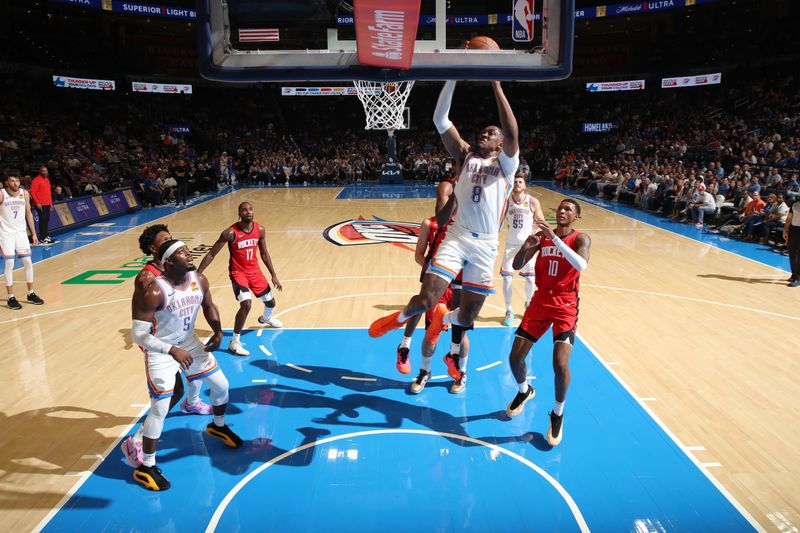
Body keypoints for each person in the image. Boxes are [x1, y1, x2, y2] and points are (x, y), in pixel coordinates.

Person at [370, 80, 519, 387]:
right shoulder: (465, 156)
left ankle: (443, 322)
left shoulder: (506, 165)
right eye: (483, 131)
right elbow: (441, 119)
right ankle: (397, 322)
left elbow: (513, 131)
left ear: (501, 145)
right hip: (458, 236)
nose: (485, 133)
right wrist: (451, 78)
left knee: (465, 319)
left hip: (487, 245)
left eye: (492, 133)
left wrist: (495, 83)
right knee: (427, 299)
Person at [126, 239, 242, 491]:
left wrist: (218, 331)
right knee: (161, 406)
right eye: (181, 252)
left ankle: (218, 426)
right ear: (168, 261)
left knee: (222, 386)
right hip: (161, 350)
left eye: (188, 251)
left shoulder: (199, 280)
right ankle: (146, 466)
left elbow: (209, 306)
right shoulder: (155, 291)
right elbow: (139, 335)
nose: (189, 254)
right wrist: (171, 350)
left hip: (189, 343)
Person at [504, 199, 591, 447]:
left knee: (560, 364)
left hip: (565, 305)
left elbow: (581, 264)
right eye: (560, 208)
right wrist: (526, 246)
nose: (562, 211)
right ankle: (524, 391)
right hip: (540, 301)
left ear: (576, 217)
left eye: (568, 210)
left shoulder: (581, 239)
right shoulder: (543, 238)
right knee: (514, 358)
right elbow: (517, 265)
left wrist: (553, 238)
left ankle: (557, 412)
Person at [130, 224, 213, 415]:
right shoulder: (147, 277)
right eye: (166, 241)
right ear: (153, 249)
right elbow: (139, 315)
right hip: (160, 340)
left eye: (171, 238)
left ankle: (192, 403)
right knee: (176, 391)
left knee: (196, 366)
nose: (172, 243)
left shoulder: (180, 268)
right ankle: (142, 436)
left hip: (179, 334)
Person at [396, 215, 470, 394]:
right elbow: (419, 256)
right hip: (437, 286)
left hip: (461, 285)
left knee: (461, 334)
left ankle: (462, 372)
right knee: (431, 333)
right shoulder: (430, 224)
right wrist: (436, 271)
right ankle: (424, 372)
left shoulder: (469, 222)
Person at [198, 201, 283, 356]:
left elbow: (264, 253)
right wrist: (198, 272)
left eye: (250, 209)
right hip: (238, 273)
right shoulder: (230, 233)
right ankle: (234, 342)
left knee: (271, 302)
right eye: (244, 210)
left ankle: (265, 319)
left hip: (255, 271)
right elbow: (212, 253)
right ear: (239, 213)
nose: (248, 212)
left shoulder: (260, 229)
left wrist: (274, 275)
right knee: (246, 304)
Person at [500, 170, 544, 326]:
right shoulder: (506, 201)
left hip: (527, 246)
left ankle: (529, 303)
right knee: (507, 278)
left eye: (520, 182)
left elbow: (541, 221)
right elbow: (499, 221)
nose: (518, 184)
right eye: (515, 181)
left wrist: (535, 232)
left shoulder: (532, 201)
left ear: (525, 185)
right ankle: (509, 309)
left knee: (530, 279)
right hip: (511, 245)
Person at [1, 174, 43, 309]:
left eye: (17, 180)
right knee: (10, 263)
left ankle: (30, 293)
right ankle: (10, 297)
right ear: (6, 182)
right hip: (5, 233)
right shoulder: (1, 194)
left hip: (21, 233)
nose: (15, 183)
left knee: (28, 261)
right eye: (12, 180)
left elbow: (28, 214)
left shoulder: (24, 193)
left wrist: (34, 234)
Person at [30, 166, 56, 244]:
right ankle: (42, 238)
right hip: (41, 204)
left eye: (46, 171)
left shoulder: (47, 180)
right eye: (43, 171)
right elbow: (32, 191)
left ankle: (46, 236)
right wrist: (37, 202)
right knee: (43, 220)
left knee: (46, 219)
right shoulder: (36, 180)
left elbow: (48, 192)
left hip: (47, 203)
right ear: (40, 172)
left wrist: (50, 202)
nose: (45, 172)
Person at [785, 198, 800, 288]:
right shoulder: (795, 203)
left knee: (799, 254)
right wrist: (785, 230)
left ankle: (798, 278)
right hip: (793, 229)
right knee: (792, 252)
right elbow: (789, 217)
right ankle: (794, 274)